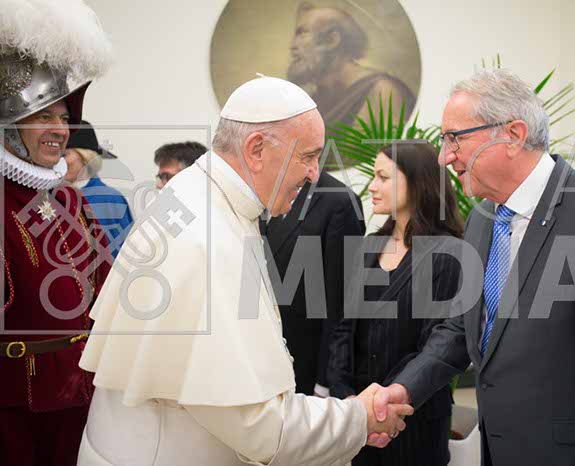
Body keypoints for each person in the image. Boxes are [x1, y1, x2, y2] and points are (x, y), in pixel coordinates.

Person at [77, 76, 413, 466]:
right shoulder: (208, 238)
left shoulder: (193, 195)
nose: (314, 174)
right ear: (256, 149)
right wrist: (358, 417)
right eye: (308, 156)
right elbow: (261, 429)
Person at [372, 69, 575, 466]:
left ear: (512, 135)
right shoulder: (482, 219)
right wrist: (404, 389)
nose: (445, 157)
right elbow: (461, 329)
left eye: (454, 138)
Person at [0, 1, 112, 464]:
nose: (60, 130)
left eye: (64, 119)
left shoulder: (69, 198)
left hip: (81, 394)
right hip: (11, 405)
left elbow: (110, 285)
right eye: (43, 116)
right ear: (9, 126)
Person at [327, 142, 464, 466]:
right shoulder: (370, 246)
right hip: (360, 420)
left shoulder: (447, 253)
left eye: (383, 177)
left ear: (417, 183)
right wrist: (347, 396)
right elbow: (343, 329)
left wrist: (385, 405)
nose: (372, 186)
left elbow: (436, 346)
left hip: (414, 422)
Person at [259, 170, 366, 397]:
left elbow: (341, 300)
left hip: (307, 371)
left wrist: (325, 382)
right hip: (263, 361)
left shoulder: (339, 201)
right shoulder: (262, 189)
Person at [287, 2, 416, 129]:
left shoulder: (382, 91)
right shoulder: (316, 100)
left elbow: (400, 142)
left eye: (302, 33)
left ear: (332, 40)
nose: (292, 46)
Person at [64, 120, 134, 259]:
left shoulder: (109, 199)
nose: (57, 161)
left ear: (85, 157)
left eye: (64, 154)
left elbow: (126, 255)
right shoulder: (50, 196)